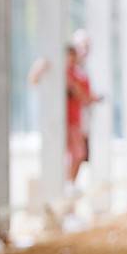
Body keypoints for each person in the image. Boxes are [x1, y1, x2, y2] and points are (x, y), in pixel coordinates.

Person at [31, 30, 103, 183]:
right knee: (65, 155)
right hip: (58, 122)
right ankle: (63, 184)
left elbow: (83, 96)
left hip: (74, 121)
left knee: (78, 155)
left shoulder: (77, 74)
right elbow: (33, 79)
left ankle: (68, 183)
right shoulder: (56, 72)